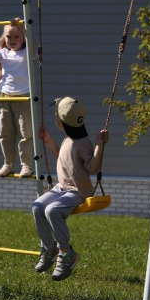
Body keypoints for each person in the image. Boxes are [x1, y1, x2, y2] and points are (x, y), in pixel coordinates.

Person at [32, 97, 109, 281]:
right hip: (60, 188)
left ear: (62, 121)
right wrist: (49, 141)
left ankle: (66, 253)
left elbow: (93, 168)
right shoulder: (69, 139)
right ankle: (49, 248)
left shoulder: (82, 143)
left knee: (52, 210)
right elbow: (61, 157)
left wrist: (99, 144)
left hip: (77, 192)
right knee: (37, 206)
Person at [0, 18, 34, 178]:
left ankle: (26, 165)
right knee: (5, 133)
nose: (12, 40)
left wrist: (22, 27)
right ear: (4, 38)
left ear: (23, 37)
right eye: (9, 37)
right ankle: (8, 164)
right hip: (5, 96)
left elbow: (32, 44)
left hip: (23, 97)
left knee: (25, 133)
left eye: (17, 36)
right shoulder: (3, 53)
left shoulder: (26, 53)